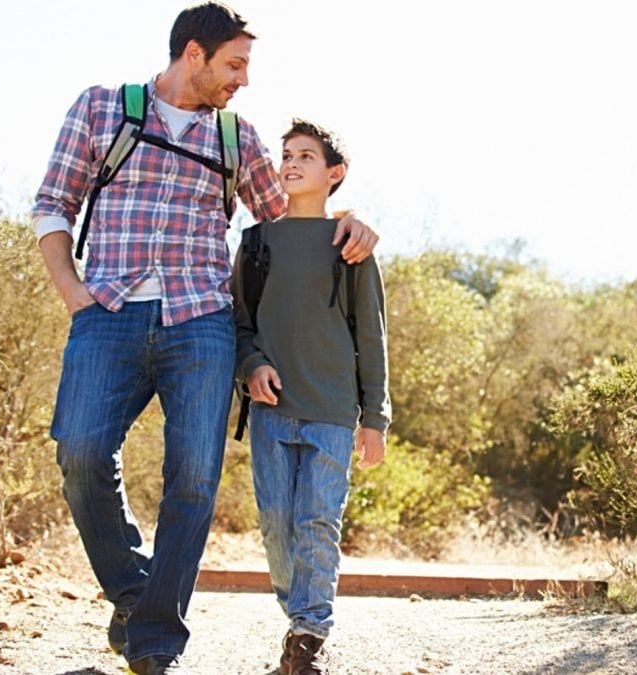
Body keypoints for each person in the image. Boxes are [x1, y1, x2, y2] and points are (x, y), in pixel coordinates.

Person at [31, 4, 378, 674]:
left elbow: (286, 221)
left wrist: (350, 219)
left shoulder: (235, 138)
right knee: (78, 451)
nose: (243, 80)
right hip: (108, 311)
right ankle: (135, 592)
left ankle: (157, 640)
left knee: (193, 477)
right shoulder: (104, 109)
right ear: (194, 54)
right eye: (235, 64)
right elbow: (53, 203)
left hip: (202, 322)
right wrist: (73, 292)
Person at [233, 120, 390, 675]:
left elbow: (371, 336)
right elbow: (240, 323)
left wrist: (375, 417)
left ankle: (308, 636)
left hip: (331, 412)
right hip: (273, 412)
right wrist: (251, 365)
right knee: (278, 523)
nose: (292, 164)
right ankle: (297, 615)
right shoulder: (255, 243)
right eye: (287, 155)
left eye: (306, 156)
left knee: (318, 521)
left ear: (334, 174)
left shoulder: (351, 246)